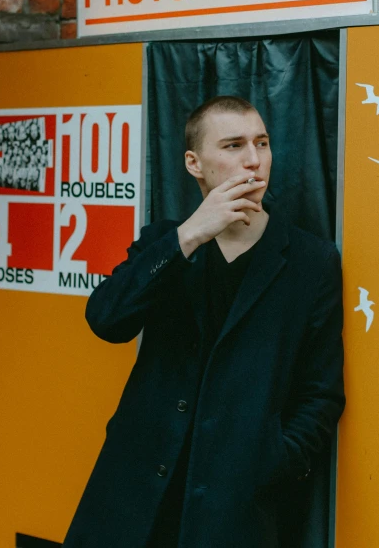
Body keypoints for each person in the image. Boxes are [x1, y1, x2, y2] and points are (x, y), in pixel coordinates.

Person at [63, 96, 345, 548]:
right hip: (137, 489)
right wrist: (190, 235)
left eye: (263, 143)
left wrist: (272, 458)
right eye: (233, 145)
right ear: (194, 163)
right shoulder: (166, 242)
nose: (254, 160)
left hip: (235, 502)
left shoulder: (311, 261)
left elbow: (321, 393)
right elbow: (107, 319)